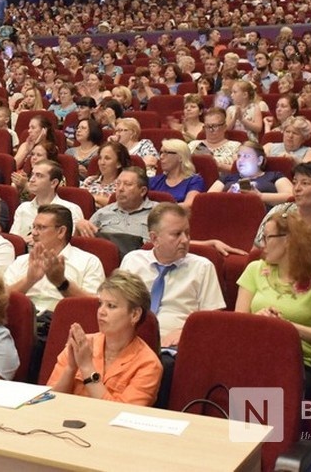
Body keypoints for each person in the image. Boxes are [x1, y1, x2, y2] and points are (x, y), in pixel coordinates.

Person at [237, 210, 311, 369]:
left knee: (263, 382)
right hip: (251, 353)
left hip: (294, 362)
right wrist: (257, 321)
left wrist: (286, 327)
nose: (262, 244)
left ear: (288, 240)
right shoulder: (255, 269)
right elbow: (236, 325)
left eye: (267, 237)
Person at [46, 271, 162, 406]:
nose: (101, 311)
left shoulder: (148, 364)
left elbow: (121, 416)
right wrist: (71, 368)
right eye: (100, 304)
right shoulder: (82, 345)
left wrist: (86, 367)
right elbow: (49, 401)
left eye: (111, 306)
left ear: (135, 315)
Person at [120, 203, 225, 349]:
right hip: (129, 341)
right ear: (154, 238)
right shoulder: (133, 261)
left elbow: (213, 321)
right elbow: (116, 305)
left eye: (187, 233)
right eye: (177, 234)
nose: (185, 240)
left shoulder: (202, 267)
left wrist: (184, 332)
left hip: (176, 346)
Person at [5, 205, 104, 317]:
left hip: (63, 322)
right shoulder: (21, 261)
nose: (33, 233)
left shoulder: (88, 262)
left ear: (61, 232)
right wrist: (29, 280)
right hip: (23, 320)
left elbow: (95, 306)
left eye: (41, 227)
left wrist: (61, 282)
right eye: (33, 227)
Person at [10, 160, 85, 240]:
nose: (32, 179)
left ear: (53, 183)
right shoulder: (23, 208)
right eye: (32, 175)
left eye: (39, 176)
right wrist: (24, 241)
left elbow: (71, 243)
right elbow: (14, 241)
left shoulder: (71, 209)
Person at [207, 141, 294, 207]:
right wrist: (227, 197)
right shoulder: (226, 178)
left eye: (246, 156)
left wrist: (260, 196)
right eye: (239, 156)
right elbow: (206, 200)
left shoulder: (274, 176)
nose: (240, 160)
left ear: (259, 160)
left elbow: (291, 197)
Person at [149, 139, 205, 207]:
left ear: (180, 157)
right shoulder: (153, 181)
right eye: (161, 153)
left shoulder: (194, 181)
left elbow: (188, 205)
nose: (161, 157)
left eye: (166, 153)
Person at [189, 106, 241, 170]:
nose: (211, 130)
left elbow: (239, 170)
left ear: (224, 127)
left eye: (215, 126)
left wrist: (217, 164)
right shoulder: (193, 145)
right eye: (208, 126)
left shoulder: (235, 147)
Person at [80, 141, 129, 208]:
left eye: (107, 158)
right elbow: (78, 200)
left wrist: (94, 198)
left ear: (119, 163)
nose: (102, 163)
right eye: (100, 158)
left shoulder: (123, 185)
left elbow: (122, 206)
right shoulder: (89, 180)